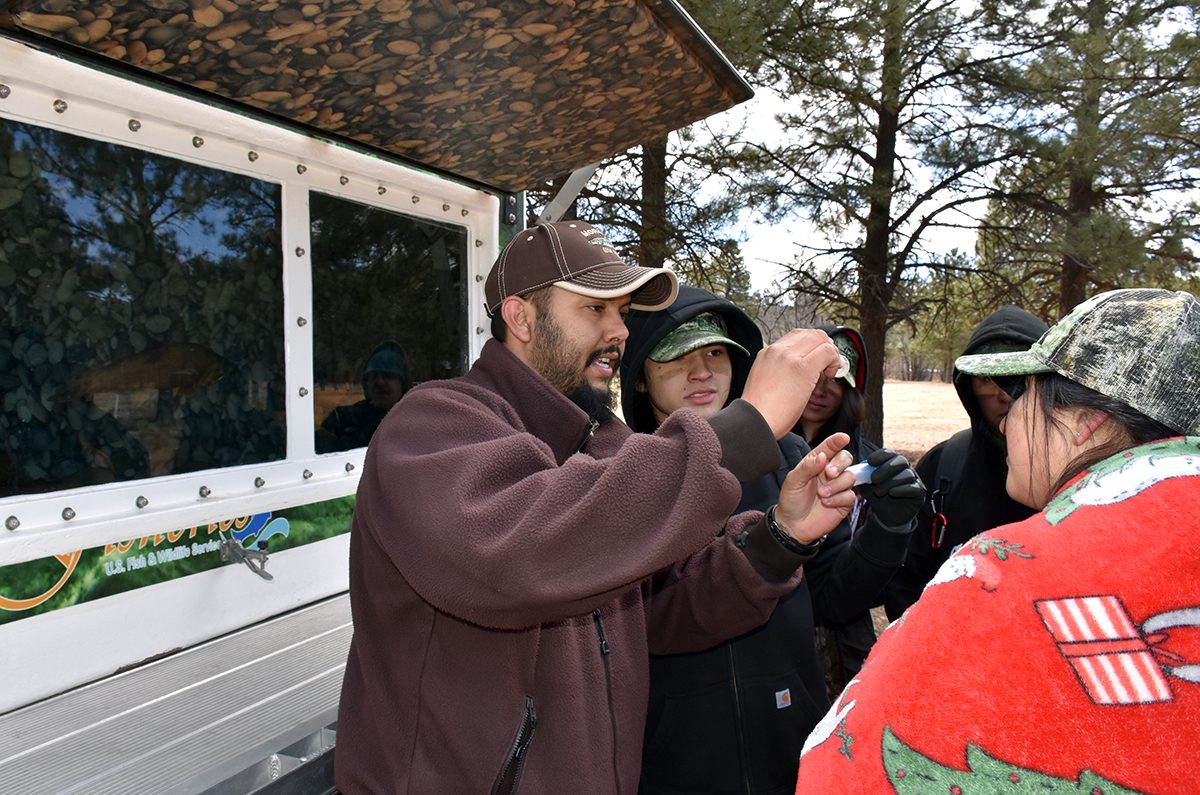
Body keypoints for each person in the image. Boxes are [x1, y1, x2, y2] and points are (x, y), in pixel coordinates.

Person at [335, 220, 865, 794]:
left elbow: (660, 607)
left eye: (623, 313)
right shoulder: (432, 425)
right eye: (595, 310)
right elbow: (521, 554)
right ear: (521, 317)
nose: (619, 331)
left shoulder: (603, 443)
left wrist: (781, 535)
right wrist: (744, 428)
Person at [797, 288, 1200, 793]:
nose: (1006, 415)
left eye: (1027, 391)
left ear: (1087, 421)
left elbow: (845, 770)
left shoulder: (995, 575)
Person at [622, 287, 922, 795]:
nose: (701, 372)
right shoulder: (624, 477)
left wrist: (889, 527)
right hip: (674, 760)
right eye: (676, 357)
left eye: (714, 353)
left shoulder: (784, 457)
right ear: (641, 379)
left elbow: (831, 598)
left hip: (788, 742)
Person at [883, 305, 1049, 620]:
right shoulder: (943, 465)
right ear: (968, 388)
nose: (1004, 394)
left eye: (1019, 376)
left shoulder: (1084, 473)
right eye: (988, 379)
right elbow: (906, 584)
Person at [794, 325, 890, 697]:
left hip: (844, 636)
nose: (820, 390)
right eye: (812, 378)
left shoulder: (868, 465)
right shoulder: (759, 450)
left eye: (835, 381)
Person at [316, 340, 408, 453]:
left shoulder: (415, 422)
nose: (379, 382)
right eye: (373, 376)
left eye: (388, 376)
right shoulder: (342, 418)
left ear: (402, 384)